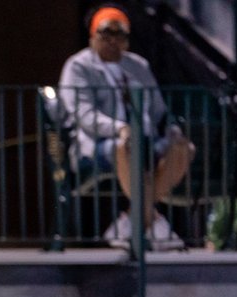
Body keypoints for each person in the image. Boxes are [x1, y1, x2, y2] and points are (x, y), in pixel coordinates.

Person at [57, 4, 194, 250]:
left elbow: (159, 111)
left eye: (119, 35)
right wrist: (120, 128)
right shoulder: (78, 67)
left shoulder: (138, 66)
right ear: (92, 36)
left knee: (183, 148)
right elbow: (83, 114)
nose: (113, 41)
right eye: (106, 34)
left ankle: (131, 221)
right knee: (126, 146)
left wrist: (173, 130)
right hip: (98, 145)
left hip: (147, 139)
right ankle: (153, 222)